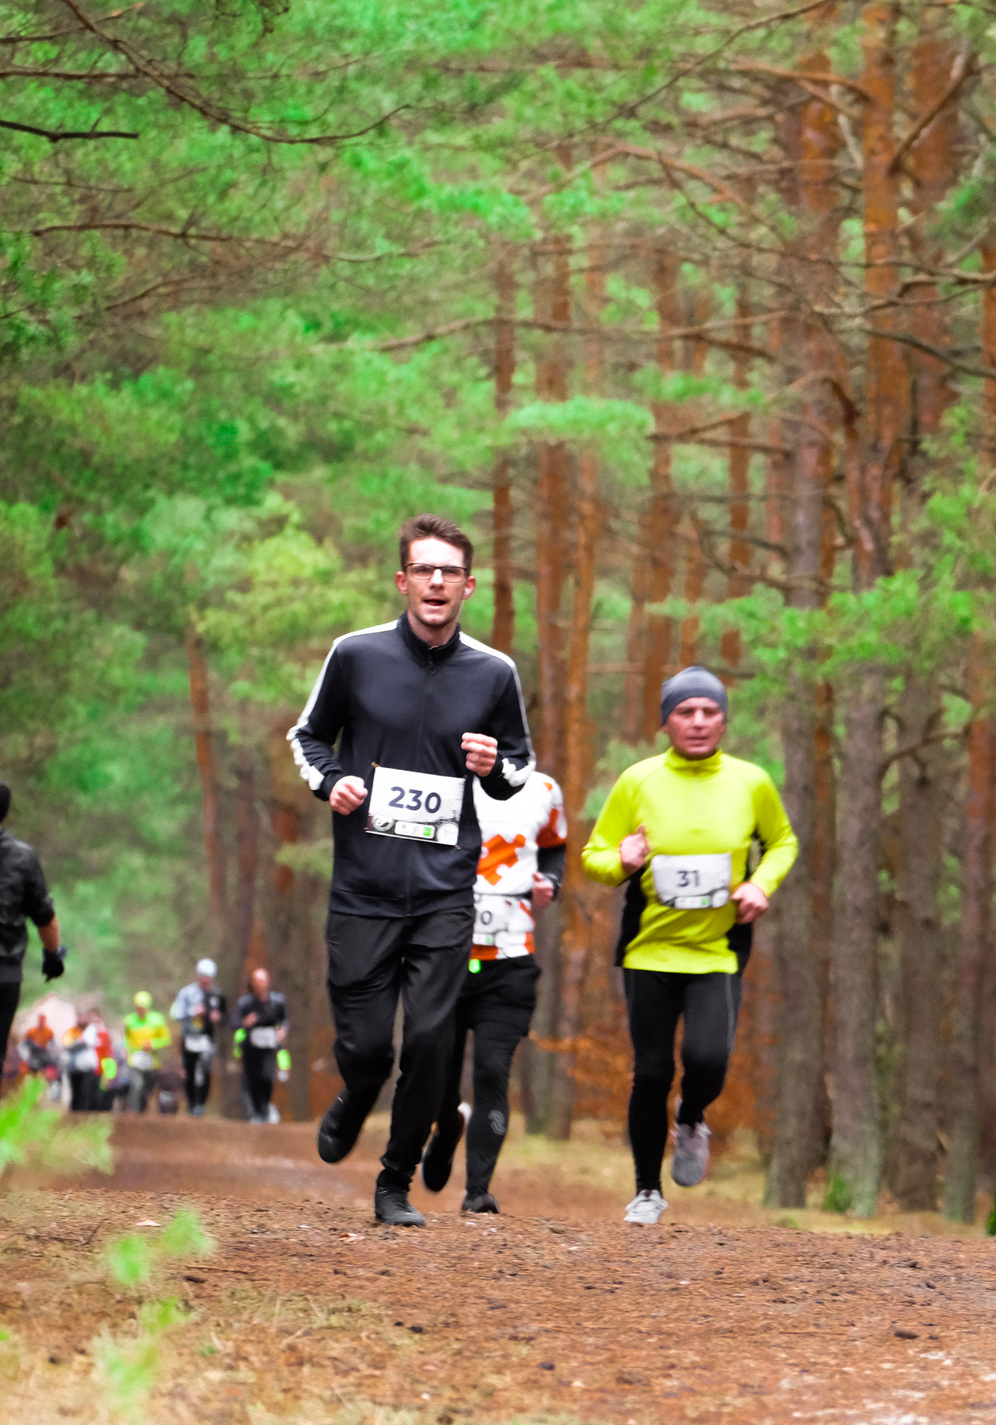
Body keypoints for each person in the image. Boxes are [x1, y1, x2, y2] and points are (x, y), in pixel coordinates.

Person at [287, 512, 535, 1227]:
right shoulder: (356, 655)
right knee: (368, 1046)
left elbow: (520, 764)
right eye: (423, 569)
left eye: (449, 572)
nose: (435, 582)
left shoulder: (494, 671)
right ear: (403, 580)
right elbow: (307, 736)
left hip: (444, 889)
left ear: (468, 586)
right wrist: (330, 781)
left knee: (431, 1041)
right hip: (363, 887)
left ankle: (394, 1181)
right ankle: (356, 1090)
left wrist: (495, 768)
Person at [582, 667, 795, 1227]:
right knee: (650, 1072)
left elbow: (783, 842)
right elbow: (593, 857)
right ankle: (646, 1190)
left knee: (707, 1059)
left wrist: (760, 884)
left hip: (717, 949)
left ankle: (693, 1117)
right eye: (685, 712)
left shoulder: (751, 782)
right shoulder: (637, 782)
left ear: (724, 720)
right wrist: (621, 862)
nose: (698, 722)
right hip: (649, 950)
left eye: (709, 712)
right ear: (665, 722)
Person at [424, 766, 567, 1214]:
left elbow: (555, 848)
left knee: (491, 1070)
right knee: (439, 1079)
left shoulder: (544, 788)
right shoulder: (441, 780)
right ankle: (448, 1127)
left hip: (509, 962)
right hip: (445, 961)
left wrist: (551, 883)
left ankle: (477, 1193)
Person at [0, 777, 63, 1185]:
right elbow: (44, 915)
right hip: (1, 977)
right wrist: (53, 956)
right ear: (4, 814)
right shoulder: (23, 857)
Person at [168, 959, 226, 1117]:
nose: (206, 980)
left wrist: (217, 1017)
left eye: (209, 977)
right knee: (190, 1071)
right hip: (189, 1038)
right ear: (198, 976)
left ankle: (201, 1104)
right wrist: (193, 1012)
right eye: (203, 976)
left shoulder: (217, 994)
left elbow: (224, 1016)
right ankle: (192, 1103)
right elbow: (176, 1013)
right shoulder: (186, 993)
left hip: (207, 1039)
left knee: (207, 1070)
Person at [233, 968, 290, 1124]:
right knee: (253, 1079)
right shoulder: (245, 1003)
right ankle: (256, 1112)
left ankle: (265, 1108)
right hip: (251, 1048)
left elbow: (285, 1020)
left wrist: (283, 1030)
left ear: (268, 981)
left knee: (267, 1077)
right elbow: (234, 1023)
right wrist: (245, 1023)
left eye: (263, 980)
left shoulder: (277, 1001)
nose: (261, 984)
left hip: (270, 1047)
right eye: (257, 980)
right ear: (252, 983)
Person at [121, 990, 172, 1114]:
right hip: (134, 1059)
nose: (141, 1010)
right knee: (136, 1085)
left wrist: (153, 1044)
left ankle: (143, 1110)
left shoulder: (157, 1020)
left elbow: (166, 1039)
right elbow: (126, 1039)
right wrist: (126, 1050)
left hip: (151, 1061)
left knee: (148, 1088)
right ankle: (135, 1112)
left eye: (143, 1007)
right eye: (139, 1007)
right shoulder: (129, 1020)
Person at [64, 1009, 110, 1112]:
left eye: (83, 1017)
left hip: (89, 1068)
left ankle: (86, 1118)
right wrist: (78, 1042)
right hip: (74, 1068)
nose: (81, 1019)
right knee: (76, 1095)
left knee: (87, 1094)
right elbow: (66, 1044)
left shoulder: (92, 1029)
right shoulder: (72, 1031)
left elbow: (90, 1041)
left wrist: (78, 1042)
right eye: (79, 1017)